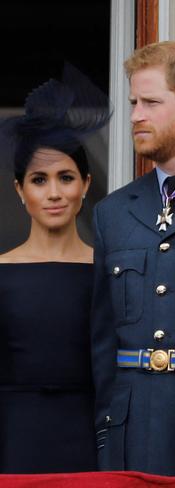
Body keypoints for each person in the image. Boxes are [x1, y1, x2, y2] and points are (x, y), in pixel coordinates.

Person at [91, 41, 175, 475]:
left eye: (150, 102)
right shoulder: (113, 212)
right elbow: (104, 341)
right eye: (132, 103)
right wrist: (107, 434)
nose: (134, 116)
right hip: (130, 434)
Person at [0, 65, 110, 473]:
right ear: (20, 190)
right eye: (39, 180)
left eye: (65, 177)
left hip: (90, 440)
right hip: (13, 439)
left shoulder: (108, 273)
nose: (54, 193)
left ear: (84, 183)